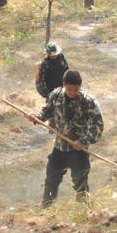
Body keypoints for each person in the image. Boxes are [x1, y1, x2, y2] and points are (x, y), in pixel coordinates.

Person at [27, 70, 104, 208]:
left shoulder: (88, 102)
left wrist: (83, 141)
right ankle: (46, 208)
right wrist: (37, 117)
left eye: (76, 89)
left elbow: (98, 126)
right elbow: (47, 111)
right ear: (64, 85)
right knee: (51, 178)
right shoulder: (56, 95)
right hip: (60, 147)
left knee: (80, 181)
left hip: (79, 149)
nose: (72, 92)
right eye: (69, 89)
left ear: (80, 87)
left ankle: (84, 211)